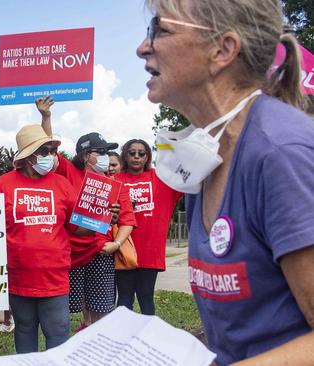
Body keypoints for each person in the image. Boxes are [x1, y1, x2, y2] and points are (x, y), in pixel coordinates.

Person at [138, 1, 314, 364]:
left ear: (222, 50)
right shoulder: (205, 154)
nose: (142, 47)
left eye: (160, 29)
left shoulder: (281, 154)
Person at [0, 124, 99, 353]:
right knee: (25, 331)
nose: (51, 156)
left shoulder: (61, 184)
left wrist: (102, 218)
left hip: (54, 277)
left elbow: (77, 228)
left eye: (52, 150)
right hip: (18, 277)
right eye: (45, 151)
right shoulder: (3, 183)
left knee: (58, 335)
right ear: (28, 156)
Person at [37, 97, 136, 329]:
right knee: (64, 309)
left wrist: (117, 244)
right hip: (69, 253)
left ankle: (96, 346)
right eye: (98, 151)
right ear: (84, 155)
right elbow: (47, 149)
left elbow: (128, 220)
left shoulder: (114, 184)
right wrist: (46, 117)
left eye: (106, 152)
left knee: (101, 309)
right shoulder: (67, 172)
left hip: (100, 252)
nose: (104, 156)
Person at [113, 139, 181, 316]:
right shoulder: (115, 181)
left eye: (141, 153)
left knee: (146, 297)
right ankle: (122, 339)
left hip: (150, 250)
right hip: (124, 248)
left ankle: (147, 339)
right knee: (125, 297)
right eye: (132, 153)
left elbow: (187, 180)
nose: (136, 157)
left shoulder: (161, 179)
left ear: (148, 157)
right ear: (125, 156)